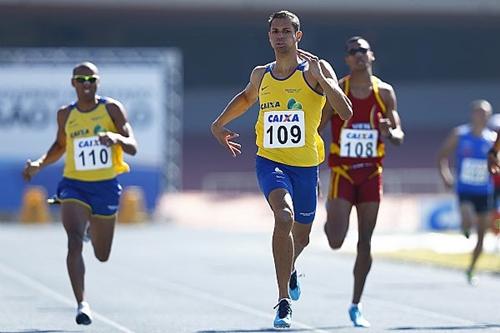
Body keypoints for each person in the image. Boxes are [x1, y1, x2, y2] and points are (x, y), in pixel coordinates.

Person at [211, 10, 352, 329]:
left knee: (301, 235)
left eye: (286, 31)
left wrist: (327, 80)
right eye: (274, 31)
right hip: (270, 161)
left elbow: (344, 110)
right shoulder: (262, 74)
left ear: (297, 36)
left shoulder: (316, 70)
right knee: (283, 217)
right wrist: (219, 124)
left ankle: (290, 269)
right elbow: (247, 99)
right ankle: (283, 302)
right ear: (269, 36)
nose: (279, 36)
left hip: (305, 166)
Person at [22, 62, 138, 325]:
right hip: (74, 185)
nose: (87, 84)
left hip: (105, 186)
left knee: (102, 254)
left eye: (91, 79)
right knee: (73, 241)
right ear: (72, 83)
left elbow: (133, 146)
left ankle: (91, 230)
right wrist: (40, 164)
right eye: (81, 79)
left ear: (98, 82)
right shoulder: (65, 115)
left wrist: (116, 138)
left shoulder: (111, 109)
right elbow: (60, 145)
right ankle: (81, 304)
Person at [320, 36, 404, 328]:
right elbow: (317, 127)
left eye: (363, 51)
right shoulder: (337, 90)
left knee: (365, 242)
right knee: (334, 240)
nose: (358, 55)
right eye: (352, 51)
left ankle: (355, 304)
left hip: (370, 174)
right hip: (342, 174)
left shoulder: (385, 92)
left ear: (372, 56)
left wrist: (388, 132)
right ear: (346, 59)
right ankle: (329, 218)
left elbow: (398, 136)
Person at [439, 99, 496, 285]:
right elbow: (442, 156)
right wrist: (446, 176)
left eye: (485, 113)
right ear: (472, 114)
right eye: (478, 112)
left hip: (485, 191)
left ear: (488, 116)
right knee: (467, 217)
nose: (481, 116)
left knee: (482, 235)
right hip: (464, 189)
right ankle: (464, 225)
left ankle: (471, 268)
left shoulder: (493, 139)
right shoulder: (460, 135)